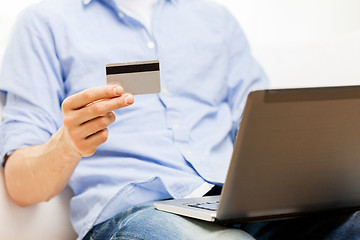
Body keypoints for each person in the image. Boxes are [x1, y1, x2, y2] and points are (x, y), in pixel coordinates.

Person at [0, 0, 359, 239]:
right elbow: (19, 186)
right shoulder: (44, 22)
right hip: (139, 214)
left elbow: (263, 129)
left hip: (237, 204)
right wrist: (68, 144)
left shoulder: (215, 20)